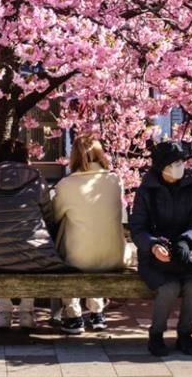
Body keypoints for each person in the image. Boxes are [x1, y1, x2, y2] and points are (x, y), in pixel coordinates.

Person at [0, 138, 66, 329]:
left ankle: (4, 313)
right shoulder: (36, 177)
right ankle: (26, 312)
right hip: (34, 252)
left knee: (1, 255)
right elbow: (47, 214)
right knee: (32, 255)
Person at [130, 141, 192, 357]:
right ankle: (156, 334)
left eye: (182, 161)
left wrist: (187, 241)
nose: (179, 166)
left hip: (185, 253)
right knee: (170, 287)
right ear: (161, 166)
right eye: (174, 163)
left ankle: (185, 334)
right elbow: (138, 228)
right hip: (154, 256)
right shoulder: (147, 190)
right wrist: (153, 245)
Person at [52, 134, 126, 335]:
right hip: (113, 256)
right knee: (96, 230)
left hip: (79, 260)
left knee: (70, 233)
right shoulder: (114, 180)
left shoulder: (66, 185)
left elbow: (55, 216)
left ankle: (74, 315)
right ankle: (97, 312)